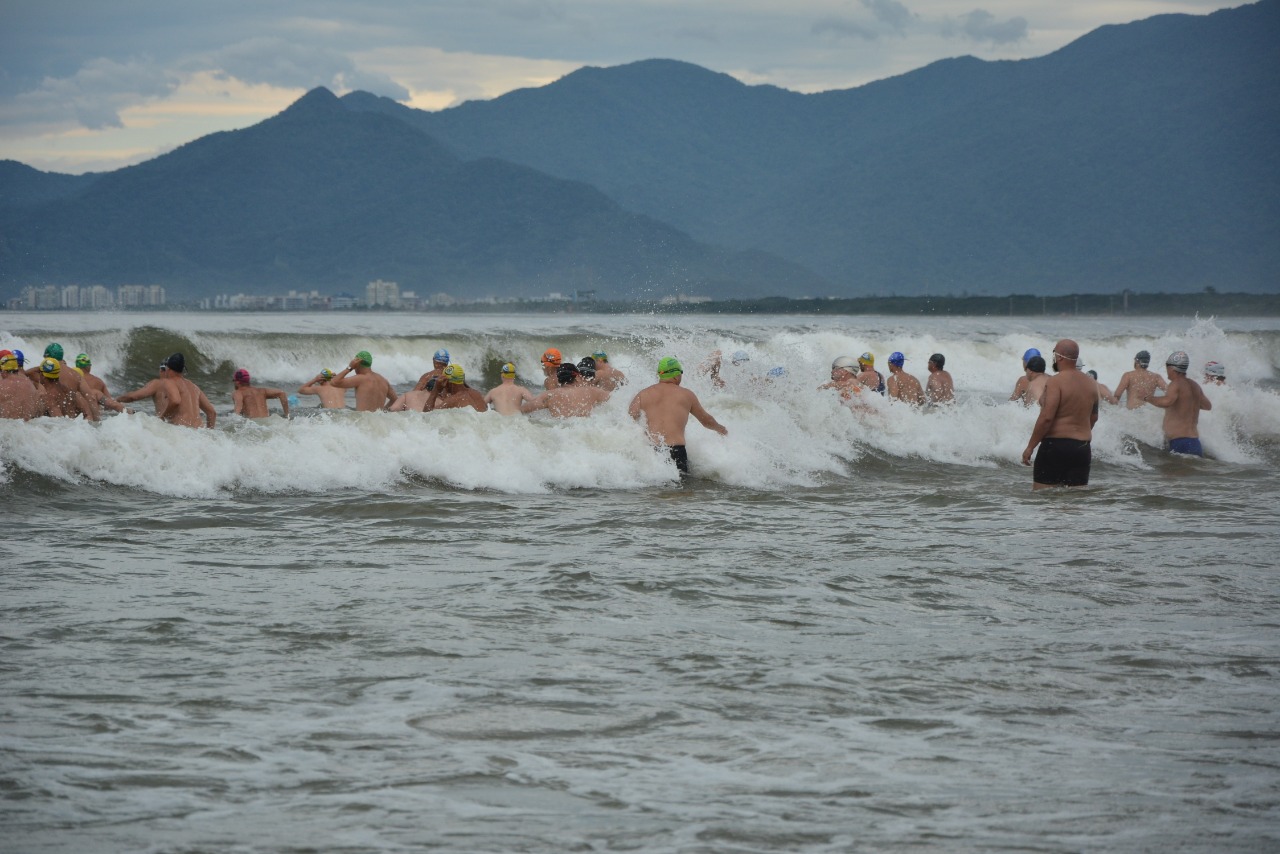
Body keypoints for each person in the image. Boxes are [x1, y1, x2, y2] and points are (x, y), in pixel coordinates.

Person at [628, 356, 727, 476]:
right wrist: (721, 429)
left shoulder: (642, 394)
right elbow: (706, 420)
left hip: (652, 452)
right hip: (676, 451)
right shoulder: (686, 394)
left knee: (654, 489)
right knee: (680, 491)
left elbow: (631, 417)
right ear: (676, 375)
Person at [1021, 339, 1099, 490]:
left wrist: (1030, 447)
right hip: (1082, 449)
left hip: (1055, 447)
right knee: (1074, 502)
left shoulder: (1055, 382)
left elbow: (1047, 417)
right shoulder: (1091, 384)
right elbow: (1094, 417)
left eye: (1054, 353)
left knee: (1043, 499)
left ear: (1060, 357)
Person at [119, 352, 215, 428]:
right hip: (199, 434)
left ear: (167, 369)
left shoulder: (164, 382)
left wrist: (162, 417)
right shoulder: (194, 386)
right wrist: (209, 435)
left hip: (182, 432)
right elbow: (212, 413)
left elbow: (132, 396)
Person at [1148, 351, 1212, 456]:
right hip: (1195, 442)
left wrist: (1148, 398)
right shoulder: (1195, 385)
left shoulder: (1175, 384)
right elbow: (1207, 406)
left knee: (1171, 472)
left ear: (1172, 368)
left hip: (1180, 443)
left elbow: (1167, 402)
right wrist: (1187, 402)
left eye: (1167, 367)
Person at [27, 343, 100, 420]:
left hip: (52, 423)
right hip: (72, 422)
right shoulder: (75, 374)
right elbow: (91, 398)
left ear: (48, 358)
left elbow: (25, 374)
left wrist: (43, 367)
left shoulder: (44, 375)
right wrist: (97, 423)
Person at [526, 362, 610, 418]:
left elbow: (523, 409)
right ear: (577, 377)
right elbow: (615, 400)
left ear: (559, 380)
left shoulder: (549, 395)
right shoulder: (592, 391)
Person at [330, 351, 397, 412]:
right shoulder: (383, 380)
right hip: (378, 422)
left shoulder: (361, 379)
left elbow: (334, 382)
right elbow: (395, 399)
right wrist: (383, 412)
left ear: (357, 364)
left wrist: (350, 367)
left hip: (363, 422)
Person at [421, 364, 487, 412]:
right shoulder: (477, 394)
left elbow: (427, 415)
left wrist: (435, 391)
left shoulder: (452, 401)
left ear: (447, 382)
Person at [0, 350, 41, 420]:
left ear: (4, 370)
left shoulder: (2, 385)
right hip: (29, 428)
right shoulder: (30, 385)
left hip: (7, 427)